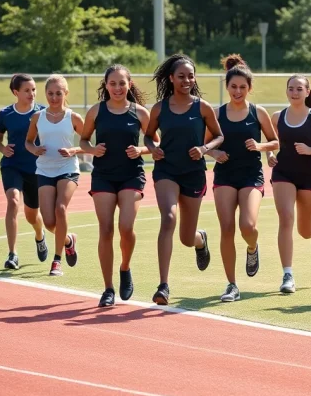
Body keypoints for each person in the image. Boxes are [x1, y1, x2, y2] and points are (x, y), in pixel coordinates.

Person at [144, 54, 224, 305]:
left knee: (186, 238)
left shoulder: (202, 107)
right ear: (171, 78)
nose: (187, 80)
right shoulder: (159, 108)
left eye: (190, 76)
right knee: (168, 218)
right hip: (166, 170)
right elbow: (148, 136)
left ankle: (200, 240)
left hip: (193, 172)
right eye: (181, 76)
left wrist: (203, 148)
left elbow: (218, 137)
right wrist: (153, 147)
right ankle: (163, 285)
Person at [206, 55, 279, 302]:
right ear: (227, 87)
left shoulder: (258, 112)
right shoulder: (216, 114)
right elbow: (205, 144)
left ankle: (252, 247)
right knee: (226, 228)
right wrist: (215, 152)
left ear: (249, 88)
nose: (238, 91)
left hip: (250, 175)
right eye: (233, 87)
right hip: (225, 176)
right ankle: (231, 285)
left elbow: (275, 141)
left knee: (247, 226)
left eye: (242, 87)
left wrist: (261, 146)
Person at [80, 65, 150, 307]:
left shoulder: (140, 113)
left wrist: (141, 149)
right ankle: (108, 288)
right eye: (113, 83)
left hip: (132, 175)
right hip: (104, 175)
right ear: (106, 85)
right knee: (106, 229)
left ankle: (125, 267)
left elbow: (155, 142)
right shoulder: (96, 111)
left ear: (129, 84)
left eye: (122, 83)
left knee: (126, 227)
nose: (118, 88)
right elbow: (84, 139)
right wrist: (91, 150)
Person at [268, 74, 311, 294]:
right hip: (283, 173)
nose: (294, 92)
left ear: (307, 92)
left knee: (304, 231)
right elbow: (270, 142)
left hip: (309, 177)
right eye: (291, 88)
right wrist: (269, 153)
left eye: (299, 89)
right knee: (286, 217)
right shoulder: (277, 117)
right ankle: (287, 274)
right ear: (286, 91)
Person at [25, 74, 86, 277]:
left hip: (68, 168)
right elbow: (28, 141)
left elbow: (88, 144)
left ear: (65, 93)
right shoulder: (37, 117)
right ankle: (69, 240)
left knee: (61, 209)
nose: (53, 97)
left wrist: (74, 150)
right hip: (44, 170)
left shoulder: (73, 117)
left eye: (58, 93)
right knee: (50, 222)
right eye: (50, 93)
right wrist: (33, 150)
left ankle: (57, 261)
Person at [0, 74, 47, 270]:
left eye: (33, 89)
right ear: (16, 92)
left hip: (36, 169)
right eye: (27, 90)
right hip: (12, 165)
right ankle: (12, 254)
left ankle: (39, 235)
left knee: (32, 216)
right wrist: (1, 148)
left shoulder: (43, 112)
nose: (31, 93)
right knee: (13, 201)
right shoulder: (6, 114)